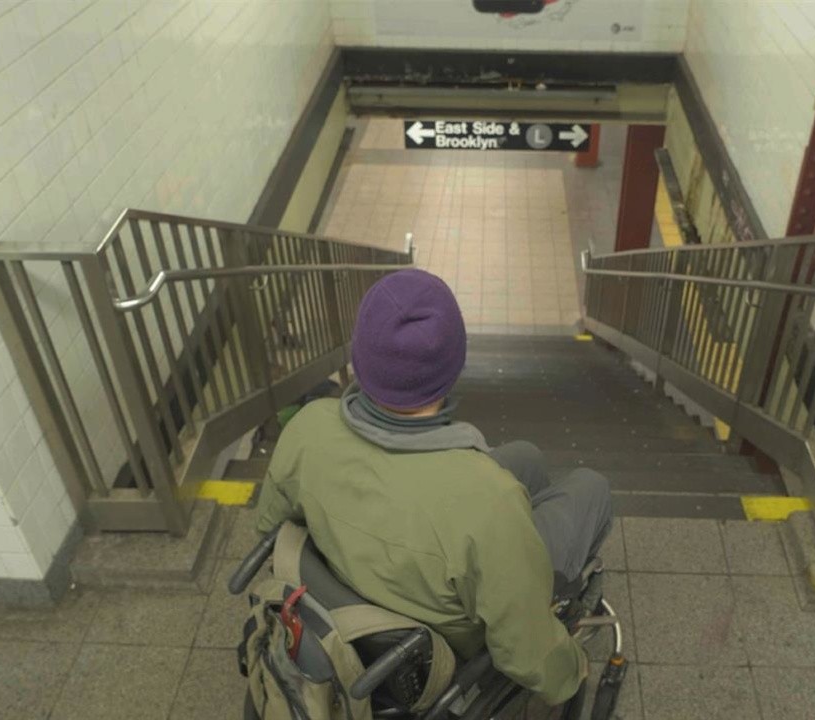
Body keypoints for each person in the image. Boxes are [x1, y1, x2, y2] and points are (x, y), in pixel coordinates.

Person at [254, 268, 613, 706]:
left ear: (361, 356)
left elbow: (271, 533)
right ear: (452, 366)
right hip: (436, 646)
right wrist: (573, 669)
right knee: (591, 488)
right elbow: (523, 652)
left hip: (357, 593)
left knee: (526, 457)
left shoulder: (308, 429)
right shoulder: (489, 501)